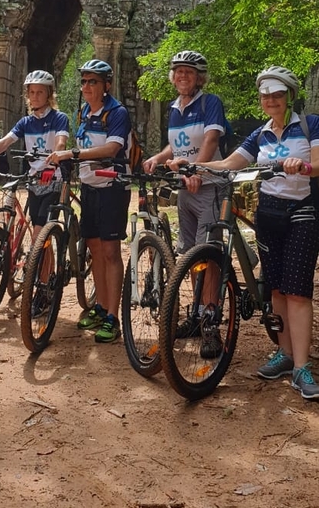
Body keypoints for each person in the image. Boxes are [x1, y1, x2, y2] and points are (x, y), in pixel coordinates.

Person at [196, 66, 319, 401]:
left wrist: (302, 165)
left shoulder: (310, 125)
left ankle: (302, 368)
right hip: (268, 214)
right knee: (277, 288)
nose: (271, 100)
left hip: (301, 213)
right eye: (266, 95)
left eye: (277, 94)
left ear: (289, 96)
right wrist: (193, 165)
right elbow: (232, 163)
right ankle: (284, 353)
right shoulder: (260, 134)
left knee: (297, 292)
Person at [143, 50, 226, 358]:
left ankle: (211, 325)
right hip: (185, 190)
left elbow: (211, 140)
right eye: (178, 71)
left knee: (208, 254)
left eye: (188, 72)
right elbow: (177, 144)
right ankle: (196, 315)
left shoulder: (209, 102)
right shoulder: (175, 108)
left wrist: (196, 169)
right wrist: (158, 157)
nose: (182, 76)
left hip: (209, 187)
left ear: (199, 77)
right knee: (189, 253)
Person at [47, 59, 132, 344]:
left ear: (106, 85)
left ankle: (113, 317)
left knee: (110, 251)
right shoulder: (83, 111)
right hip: (89, 187)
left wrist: (73, 155)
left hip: (112, 187)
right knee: (94, 249)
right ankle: (100, 307)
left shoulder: (117, 112)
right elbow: (83, 145)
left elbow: (112, 147)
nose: (86, 87)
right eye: (83, 82)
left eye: (92, 81)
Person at [0, 70, 69, 240]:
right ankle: (42, 266)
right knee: (39, 238)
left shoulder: (59, 118)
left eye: (40, 92)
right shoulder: (26, 122)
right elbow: (3, 142)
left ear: (49, 94)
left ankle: (38, 264)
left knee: (39, 235)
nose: (35, 96)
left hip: (53, 180)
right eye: (32, 92)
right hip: (34, 181)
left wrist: (53, 165)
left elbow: (60, 143)